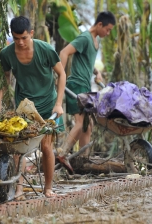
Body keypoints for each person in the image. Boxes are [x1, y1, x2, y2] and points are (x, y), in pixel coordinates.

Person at [0, 16, 66, 198]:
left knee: (46, 146)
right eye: (16, 39)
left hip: (48, 103)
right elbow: (6, 78)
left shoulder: (46, 50)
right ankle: (18, 189)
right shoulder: (7, 54)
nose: (20, 42)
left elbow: (62, 74)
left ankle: (48, 188)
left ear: (31, 34)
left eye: (24, 38)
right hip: (24, 105)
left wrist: (58, 104)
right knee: (19, 148)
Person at [57, 11, 116, 161]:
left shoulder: (95, 41)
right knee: (80, 122)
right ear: (99, 24)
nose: (108, 33)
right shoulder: (85, 38)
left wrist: (97, 72)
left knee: (87, 125)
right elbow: (64, 52)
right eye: (107, 29)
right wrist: (60, 75)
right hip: (76, 85)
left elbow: (87, 61)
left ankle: (83, 159)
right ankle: (61, 153)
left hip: (85, 87)